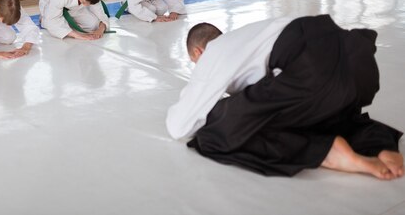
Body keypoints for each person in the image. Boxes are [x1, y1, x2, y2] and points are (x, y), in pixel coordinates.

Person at [166, 15, 403, 179]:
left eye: (195, 62)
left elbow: (179, 126)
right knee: (309, 115)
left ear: (198, 52)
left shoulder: (214, 52)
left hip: (310, 71)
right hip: (359, 68)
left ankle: (327, 154)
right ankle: (378, 143)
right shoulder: (252, 36)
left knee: (211, 131)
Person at [39, 0, 109, 40]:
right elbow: (52, 20)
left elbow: (100, 14)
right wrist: (78, 35)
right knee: (49, 23)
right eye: (84, 2)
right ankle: (43, 18)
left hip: (72, 7)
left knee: (93, 25)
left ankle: (63, 21)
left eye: (89, 4)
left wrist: (101, 29)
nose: (86, 5)